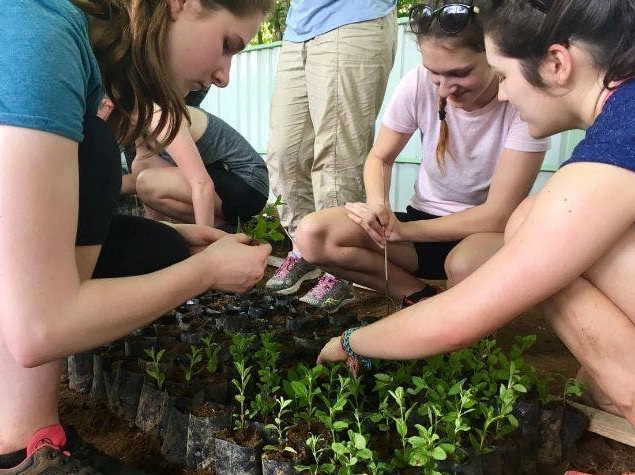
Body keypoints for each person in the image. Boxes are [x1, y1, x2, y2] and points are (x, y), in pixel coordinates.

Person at [0, 0, 272, 472]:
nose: (224, 77)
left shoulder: (75, 45)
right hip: (34, 321)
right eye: (226, 46)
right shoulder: (37, 30)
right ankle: (19, 443)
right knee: (94, 153)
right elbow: (39, 330)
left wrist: (181, 243)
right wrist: (205, 272)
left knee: (157, 246)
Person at [316, 0, 635, 429]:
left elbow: (460, 319)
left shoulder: (621, 136)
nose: (502, 92)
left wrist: (353, 342)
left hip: (465, 239)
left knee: (528, 222)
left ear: (557, 63)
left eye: (502, 75)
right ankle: (613, 393)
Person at [294, 0, 549, 312]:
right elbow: (380, 158)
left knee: (465, 264)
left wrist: (402, 231)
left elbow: (497, 214)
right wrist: (379, 206)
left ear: (493, 56)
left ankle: (465, 325)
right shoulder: (417, 83)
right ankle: (416, 295)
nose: (444, 90)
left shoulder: (523, 102)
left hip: (482, 235)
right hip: (419, 226)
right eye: (434, 74)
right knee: (313, 235)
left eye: (460, 73)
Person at [264, 0, 399, 298]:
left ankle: (340, 265)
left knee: (338, 156)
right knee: (284, 154)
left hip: (354, 17)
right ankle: (306, 250)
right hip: (299, 26)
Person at [130, 90, 270, 228]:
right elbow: (138, 170)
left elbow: (202, 183)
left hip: (247, 185)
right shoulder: (141, 122)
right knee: (142, 167)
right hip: (222, 179)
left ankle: (214, 233)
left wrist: (205, 242)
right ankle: (159, 230)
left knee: (146, 183)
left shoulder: (161, 118)